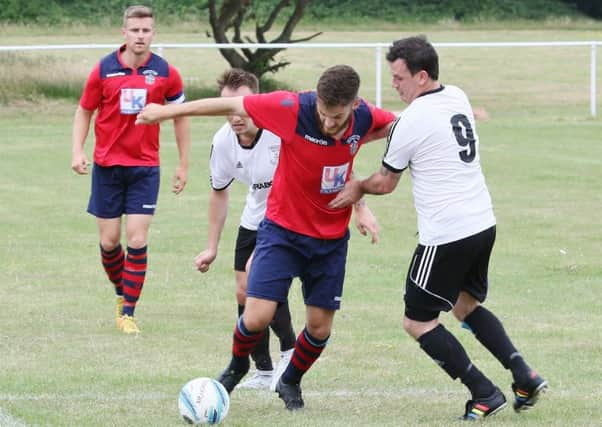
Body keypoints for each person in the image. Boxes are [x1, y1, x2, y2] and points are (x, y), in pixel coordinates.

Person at [136, 64, 395, 410]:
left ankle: (289, 381)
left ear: (355, 105)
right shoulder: (291, 108)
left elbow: (402, 124)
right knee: (256, 315)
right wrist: (166, 111)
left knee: (319, 329)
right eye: (324, 114)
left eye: (337, 117)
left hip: (331, 238)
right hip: (282, 231)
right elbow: (227, 106)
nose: (329, 123)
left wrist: (360, 200)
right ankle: (237, 365)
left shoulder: (365, 118)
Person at [329, 36, 548, 420]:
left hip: (447, 234)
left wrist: (359, 186)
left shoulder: (411, 121)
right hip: (482, 223)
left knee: (417, 321)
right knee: (465, 305)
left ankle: (483, 392)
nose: (394, 84)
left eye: (399, 77)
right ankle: (523, 375)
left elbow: (386, 182)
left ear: (422, 75)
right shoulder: (457, 96)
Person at [71, 5, 191, 335]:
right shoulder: (104, 69)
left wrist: (182, 164)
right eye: (135, 30)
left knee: (137, 239)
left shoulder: (166, 72)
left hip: (145, 168)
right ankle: (121, 292)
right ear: (124, 33)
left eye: (146, 30)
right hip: (107, 167)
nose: (141, 36)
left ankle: (128, 312)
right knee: (110, 243)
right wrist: (77, 150)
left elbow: (181, 116)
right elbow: (84, 111)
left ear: (153, 33)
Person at [194, 68, 296, 391]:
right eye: (226, 108)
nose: (235, 116)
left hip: (289, 218)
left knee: (259, 280)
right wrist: (212, 246)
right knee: (243, 292)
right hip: (255, 216)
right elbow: (219, 191)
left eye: (241, 107)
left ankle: (290, 353)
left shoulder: (281, 131)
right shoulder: (223, 142)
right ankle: (263, 370)